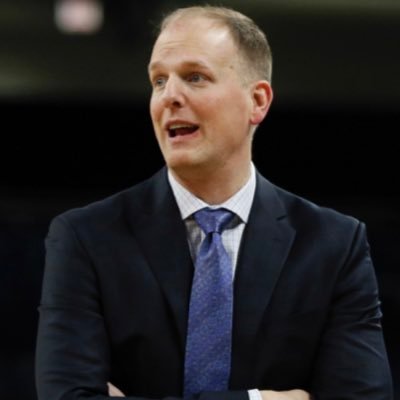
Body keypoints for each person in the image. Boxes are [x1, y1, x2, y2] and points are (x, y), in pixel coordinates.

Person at [35, 5, 393, 400]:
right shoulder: (85, 237)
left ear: (258, 101)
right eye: (158, 80)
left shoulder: (334, 244)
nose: (169, 96)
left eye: (195, 77)